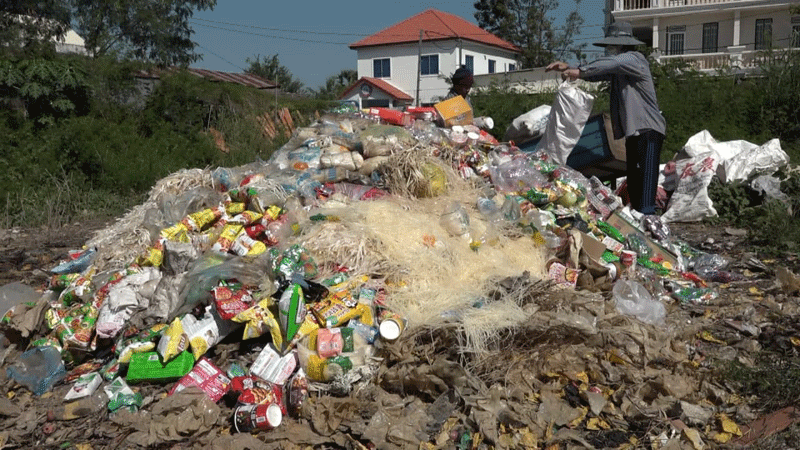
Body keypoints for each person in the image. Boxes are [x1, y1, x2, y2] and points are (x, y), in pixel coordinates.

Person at [545, 21, 667, 231]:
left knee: (645, 179)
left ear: (621, 44)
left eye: (613, 45)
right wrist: (570, 69)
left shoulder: (634, 59)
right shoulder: (620, 68)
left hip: (648, 129)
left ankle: (649, 220)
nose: (611, 49)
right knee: (634, 179)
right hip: (634, 131)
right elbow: (598, 73)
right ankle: (637, 218)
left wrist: (578, 71)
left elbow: (608, 64)